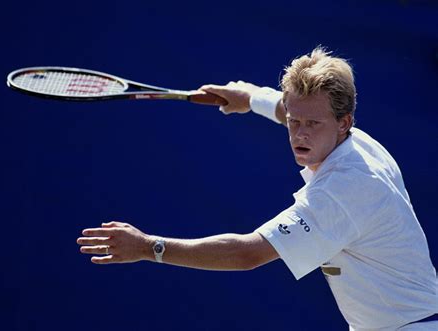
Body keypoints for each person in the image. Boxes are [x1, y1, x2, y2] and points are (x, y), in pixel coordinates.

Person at [76, 47, 438, 330]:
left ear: (344, 122)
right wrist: (248, 98)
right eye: (295, 122)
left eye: (312, 123)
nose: (299, 134)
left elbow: (248, 254)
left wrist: (148, 247)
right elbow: (287, 108)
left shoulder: (343, 190)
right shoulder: (357, 141)